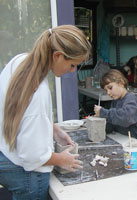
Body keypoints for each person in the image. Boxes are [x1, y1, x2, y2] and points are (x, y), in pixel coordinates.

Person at [0, 25, 91, 199]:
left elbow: (20, 112)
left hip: (5, 154)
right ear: (57, 56)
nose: (72, 71)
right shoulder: (38, 93)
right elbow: (32, 156)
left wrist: (53, 129)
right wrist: (61, 159)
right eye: (72, 65)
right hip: (28, 175)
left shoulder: (20, 62)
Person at [94, 69, 137, 148]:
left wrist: (103, 112)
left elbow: (125, 118)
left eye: (110, 88)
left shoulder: (131, 99)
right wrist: (98, 125)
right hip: (131, 141)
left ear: (121, 83)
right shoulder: (115, 102)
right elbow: (113, 122)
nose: (108, 93)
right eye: (106, 90)